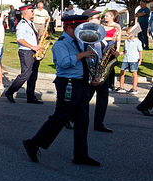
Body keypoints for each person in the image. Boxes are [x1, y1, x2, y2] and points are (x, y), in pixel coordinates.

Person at [22, 14, 101, 166]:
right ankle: (33, 143)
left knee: (83, 119)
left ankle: (81, 155)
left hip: (82, 82)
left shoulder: (81, 42)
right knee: (61, 116)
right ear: (68, 28)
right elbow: (65, 63)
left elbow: (87, 62)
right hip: (68, 83)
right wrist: (82, 55)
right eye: (78, 28)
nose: (81, 32)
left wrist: (94, 75)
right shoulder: (61, 43)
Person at [83, 8, 115, 132]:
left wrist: (111, 52)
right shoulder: (86, 35)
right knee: (86, 97)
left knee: (103, 97)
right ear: (89, 20)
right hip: (92, 70)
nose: (100, 20)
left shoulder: (99, 33)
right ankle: (70, 118)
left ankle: (99, 123)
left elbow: (101, 49)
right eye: (97, 18)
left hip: (101, 69)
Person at [4, 4, 43, 104]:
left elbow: (30, 38)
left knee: (33, 75)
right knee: (26, 74)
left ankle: (31, 96)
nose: (33, 13)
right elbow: (20, 39)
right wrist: (32, 47)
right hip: (26, 51)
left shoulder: (31, 23)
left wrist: (40, 39)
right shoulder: (22, 24)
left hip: (32, 51)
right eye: (32, 11)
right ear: (25, 12)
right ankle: (10, 92)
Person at [119, 26, 143, 94]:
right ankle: (121, 87)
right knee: (122, 72)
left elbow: (140, 51)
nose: (127, 35)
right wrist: (120, 53)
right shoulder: (126, 41)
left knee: (134, 73)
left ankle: (134, 88)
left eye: (128, 33)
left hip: (133, 59)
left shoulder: (138, 42)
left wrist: (140, 60)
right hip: (126, 59)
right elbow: (125, 50)